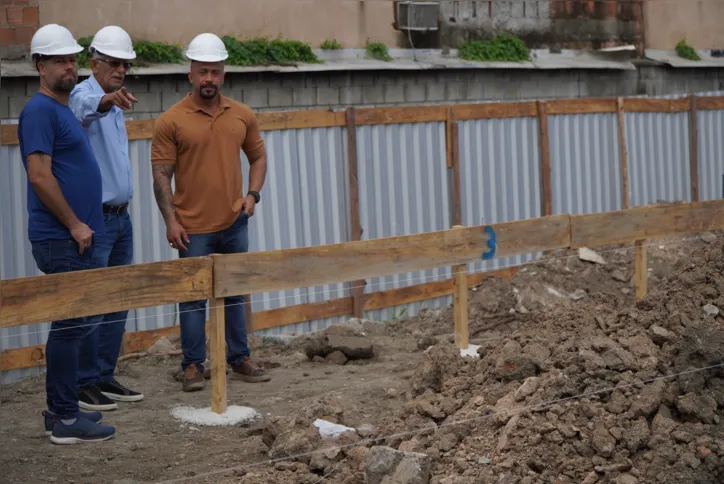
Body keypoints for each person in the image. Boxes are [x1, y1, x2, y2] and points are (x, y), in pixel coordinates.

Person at [150, 32, 271, 392]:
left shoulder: (241, 115)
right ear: (190, 74)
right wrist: (170, 221)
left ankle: (240, 358)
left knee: (235, 291)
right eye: (203, 72)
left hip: (235, 222)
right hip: (191, 228)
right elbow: (160, 175)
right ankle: (192, 365)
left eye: (215, 72)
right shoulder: (171, 121)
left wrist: (253, 195)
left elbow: (259, 157)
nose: (209, 79)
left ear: (223, 73)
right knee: (191, 297)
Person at [18, 24, 116, 444]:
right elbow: (39, 176)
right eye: (58, 60)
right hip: (61, 237)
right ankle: (62, 417)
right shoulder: (39, 111)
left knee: (73, 323)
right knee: (69, 324)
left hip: (72, 236)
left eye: (71, 59)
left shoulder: (61, 111)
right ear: (40, 66)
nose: (68, 67)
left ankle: (66, 410)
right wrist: (76, 223)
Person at [69, 25, 144, 411]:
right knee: (94, 302)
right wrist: (106, 100)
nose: (121, 70)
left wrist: (112, 100)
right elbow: (84, 108)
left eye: (125, 65)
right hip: (96, 218)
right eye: (114, 63)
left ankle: (102, 375)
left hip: (120, 217)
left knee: (118, 302)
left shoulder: (115, 101)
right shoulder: (84, 94)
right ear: (94, 63)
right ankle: (82, 384)